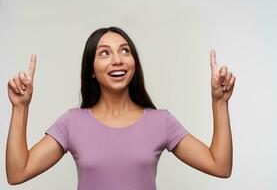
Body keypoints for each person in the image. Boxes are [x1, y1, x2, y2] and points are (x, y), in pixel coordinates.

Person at [6, 26, 236, 190]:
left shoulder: (161, 122)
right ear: (91, 70)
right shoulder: (72, 123)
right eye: (104, 53)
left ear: (134, 62)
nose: (118, 59)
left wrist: (220, 103)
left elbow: (220, 166)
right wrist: (20, 108)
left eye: (125, 51)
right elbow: (18, 173)